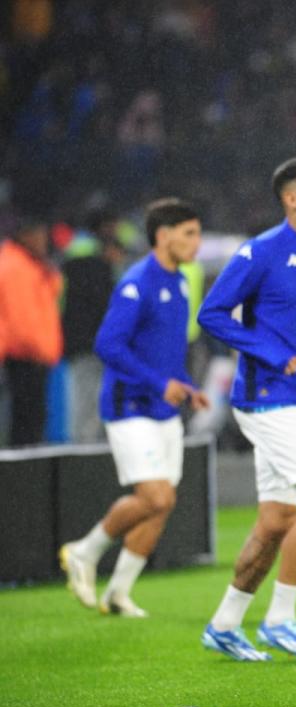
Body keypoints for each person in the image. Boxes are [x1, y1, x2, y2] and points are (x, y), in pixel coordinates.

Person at [197, 156, 296, 662]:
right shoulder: (260, 252)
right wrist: (267, 352)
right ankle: (281, 619)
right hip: (266, 400)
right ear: (292, 199)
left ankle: (224, 624)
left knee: (275, 520)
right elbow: (212, 314)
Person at [59, 198, 210, 617]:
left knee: (163, 502)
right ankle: (83, 551)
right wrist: (159, 383)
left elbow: (167, 349)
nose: (196, 243)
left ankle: (118, 593)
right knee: (156, 496)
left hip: (164, 408)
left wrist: (186, 386)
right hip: (130, 407)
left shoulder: (180, 281)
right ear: (163, 236)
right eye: (189, 234)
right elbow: (108, 344)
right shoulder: (137, 281)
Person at [0, 211, 63, 446]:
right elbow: (21, 320)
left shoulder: (30, 265)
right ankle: (22, 476)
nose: (43, 242)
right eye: (39, 236)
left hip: (33, 355)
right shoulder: (16, 267)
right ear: (25, 236)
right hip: (24, 356)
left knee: (32, 420)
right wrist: (39, 350)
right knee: (26, 422)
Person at [60, 208, 123, 442]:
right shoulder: (95, 263)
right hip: (90, 342)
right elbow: (101, 304)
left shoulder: (75, 255)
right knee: (89, 401)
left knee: (86, 399)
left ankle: (84, 448)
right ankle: (83, 454)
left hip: (81, 340)